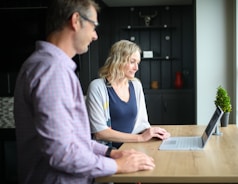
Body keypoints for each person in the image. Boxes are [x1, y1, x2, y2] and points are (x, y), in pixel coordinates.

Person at [13, 1, 155, 183]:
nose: (95, 35)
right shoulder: (52, 71)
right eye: (94, 25)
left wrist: (110, 153)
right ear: (76, 20)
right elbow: (62, 154)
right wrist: (117, 166)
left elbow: (72, 140)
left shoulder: (49, 66)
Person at [86, 40, 170, 149]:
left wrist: (154, 133)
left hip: (132, 147)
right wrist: (140, 138)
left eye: (137, 63)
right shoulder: (97, 87)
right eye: (132, 62)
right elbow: (100, 132)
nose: (136, 68)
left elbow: (142, 123)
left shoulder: (136, 85)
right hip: (108, 152)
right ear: (118, 61)